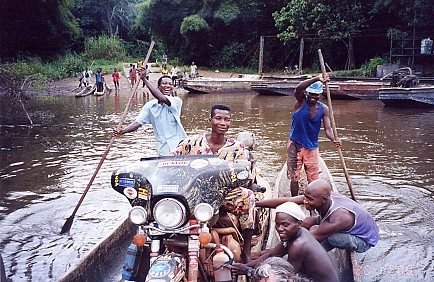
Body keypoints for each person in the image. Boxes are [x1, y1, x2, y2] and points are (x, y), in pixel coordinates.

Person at [169, 104, 256, 263]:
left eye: (227, 120)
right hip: (193, 192)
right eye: (218, 118)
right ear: (210, 120)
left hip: (225, 193)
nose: (223, 123)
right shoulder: (192, 142)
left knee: (249, 197)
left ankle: (247, 249)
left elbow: (244, 172)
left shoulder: (237, 147)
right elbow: (171, 159)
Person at [256, 179, 379, 253]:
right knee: (305, 222)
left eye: (309, 200)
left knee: (328, 237)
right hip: (334, 221)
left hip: (363, 240)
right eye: (305, 197)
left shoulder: (339, 218)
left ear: (324, 200)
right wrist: (255, 204)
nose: (305, 202)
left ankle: (320, 252)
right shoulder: (322, 197)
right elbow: (289, 200)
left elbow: (308, 237)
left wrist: (271, 252)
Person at [232, 202, 339, 282]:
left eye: (285, 225)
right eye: (277, 224)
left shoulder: (298, 245)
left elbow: (287, 277)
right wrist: (246, 266)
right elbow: (271, 254)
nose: (280, 228)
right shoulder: (296, 234)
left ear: (299, 224)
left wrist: (248, 271)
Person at [287, 74, 341, 196]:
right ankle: (294, 201)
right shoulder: (300, 102)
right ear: (307, 93)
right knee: (294, 177)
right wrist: (316, 78)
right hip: (295, 145)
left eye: (316, 94)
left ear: (319, 95)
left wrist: (335, 139)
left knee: (313, 179)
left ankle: (313, 205)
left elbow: (328, 130)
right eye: (311, 93)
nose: (313, 97)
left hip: (311, 147)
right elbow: (298, 89)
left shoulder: (324, 109)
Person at [113, 75, 186, 156]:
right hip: (163, 149)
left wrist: (144, 79)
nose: (168, 86)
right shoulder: (150, 106)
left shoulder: (176, 101)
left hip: (179, 146)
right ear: (158, 87)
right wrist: (122, 131)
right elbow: (137, 123)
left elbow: (161, 98)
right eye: (164, 83)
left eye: (170, 84)